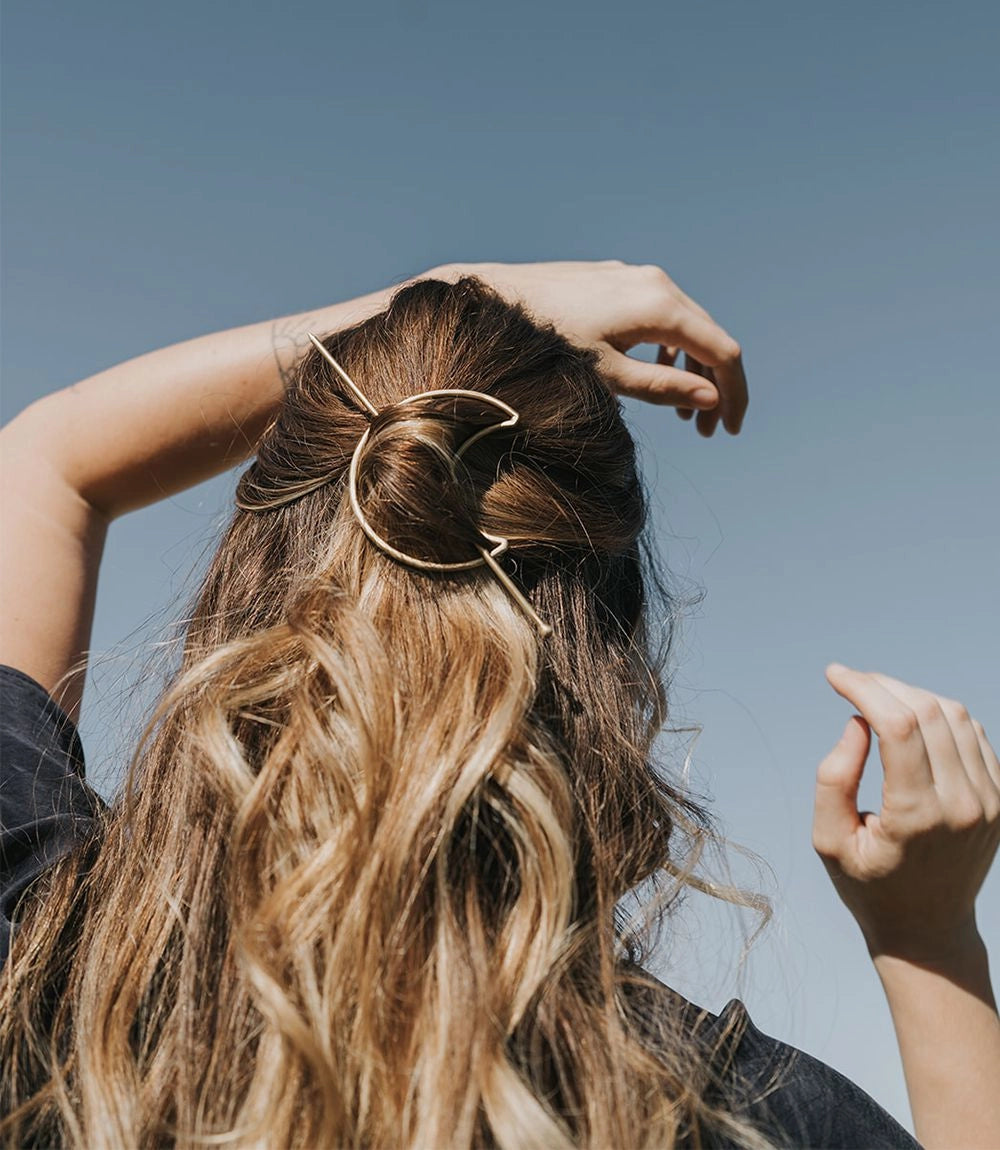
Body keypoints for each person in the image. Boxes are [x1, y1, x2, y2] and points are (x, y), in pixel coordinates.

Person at [0, 260, 997, 1149]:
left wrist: (436, 299)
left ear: (247, 595)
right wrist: (928, 945)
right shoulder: (726, 1108)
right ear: (610, 665)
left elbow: (47, 462)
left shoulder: (59, 965)